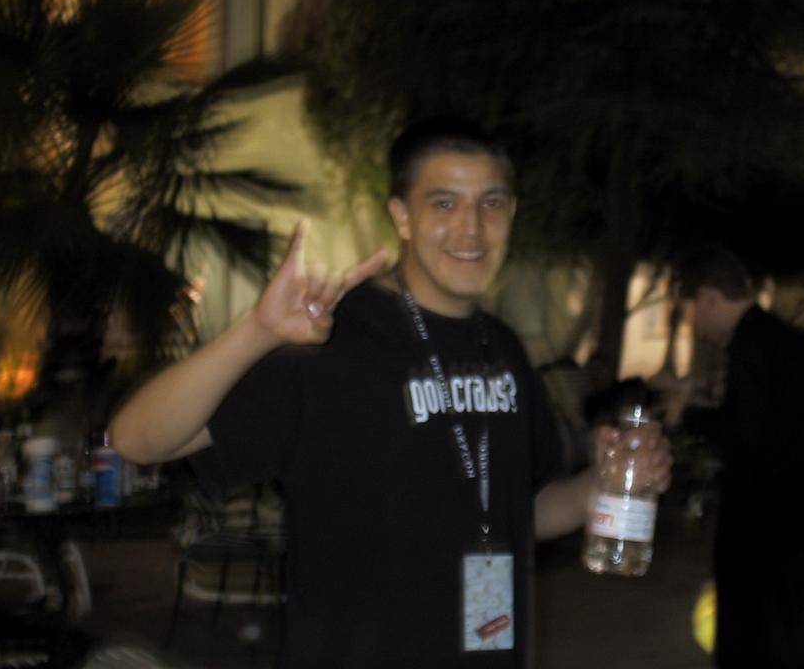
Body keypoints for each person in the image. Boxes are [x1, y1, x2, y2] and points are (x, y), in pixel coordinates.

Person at [109, 116, 672, 668]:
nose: (472, 228)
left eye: (491, 203)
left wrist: (603, 483)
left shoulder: (502, 348)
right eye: (444, 203)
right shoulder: (330, 341)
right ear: (401, 216)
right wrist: (256, 331)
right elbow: (137, 440)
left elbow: (522, 512)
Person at [665, 245, 804, 669]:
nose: (693, 325)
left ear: (709, 298)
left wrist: (687, 416)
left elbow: (748, 435)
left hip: (762, 525)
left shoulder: (751, 345)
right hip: (802, 514)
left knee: (753, 644)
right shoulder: (792, 341)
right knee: (800, 640)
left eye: (689, 312)